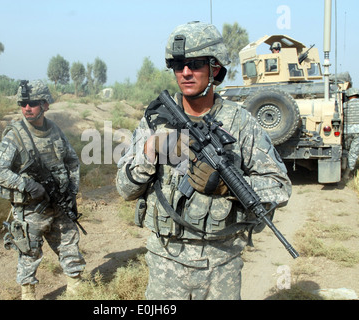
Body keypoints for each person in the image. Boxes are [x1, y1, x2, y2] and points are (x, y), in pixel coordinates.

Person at [115, 21, 292, 300]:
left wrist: (228, 186)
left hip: (220, 264)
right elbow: (124, 189)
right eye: (178, 65)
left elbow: (280, 185)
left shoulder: (240, 122)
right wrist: (150, 151)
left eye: (195, 64)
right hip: (165, 262)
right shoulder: (157, 121)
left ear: (215, 68)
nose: (185, 72)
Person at [0, 80, 85, 300]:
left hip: (59, 203)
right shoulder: (15, 135)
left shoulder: (54, 130)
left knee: (69, 244)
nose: (27, 107)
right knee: (29, 252)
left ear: (45, 104)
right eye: (23, 103)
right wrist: (28, 185)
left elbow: (72, 160)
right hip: (31, 208)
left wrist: (72, 192)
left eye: (32, 103)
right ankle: (28, 293)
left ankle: (76, 289)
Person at [344, 88, 359, 177]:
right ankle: (347, 173)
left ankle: (343, 165)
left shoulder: (344, 105)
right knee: (354, 152)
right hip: (358, 132)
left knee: (345, 149)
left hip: (346, 131)